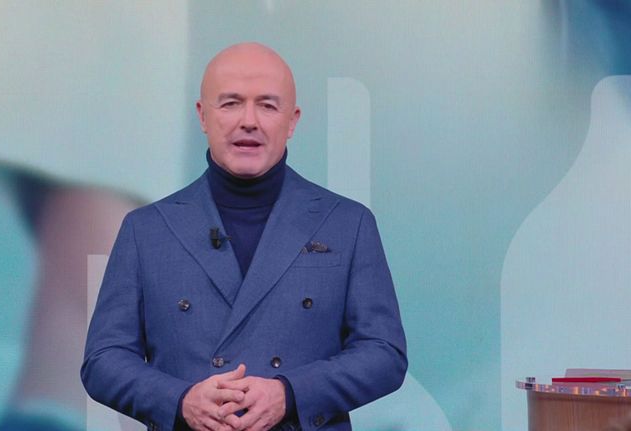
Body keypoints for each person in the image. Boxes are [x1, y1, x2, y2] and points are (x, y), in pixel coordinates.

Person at [81, 42, 407, 431]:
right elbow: (103, 360)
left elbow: (384, 353)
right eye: (231, 103)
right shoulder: (146, 229)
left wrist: (290, 394)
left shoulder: (347, 224)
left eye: (267, 105)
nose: (248, 121)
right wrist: (181, 401)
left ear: (292, 120)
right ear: (203, 115)